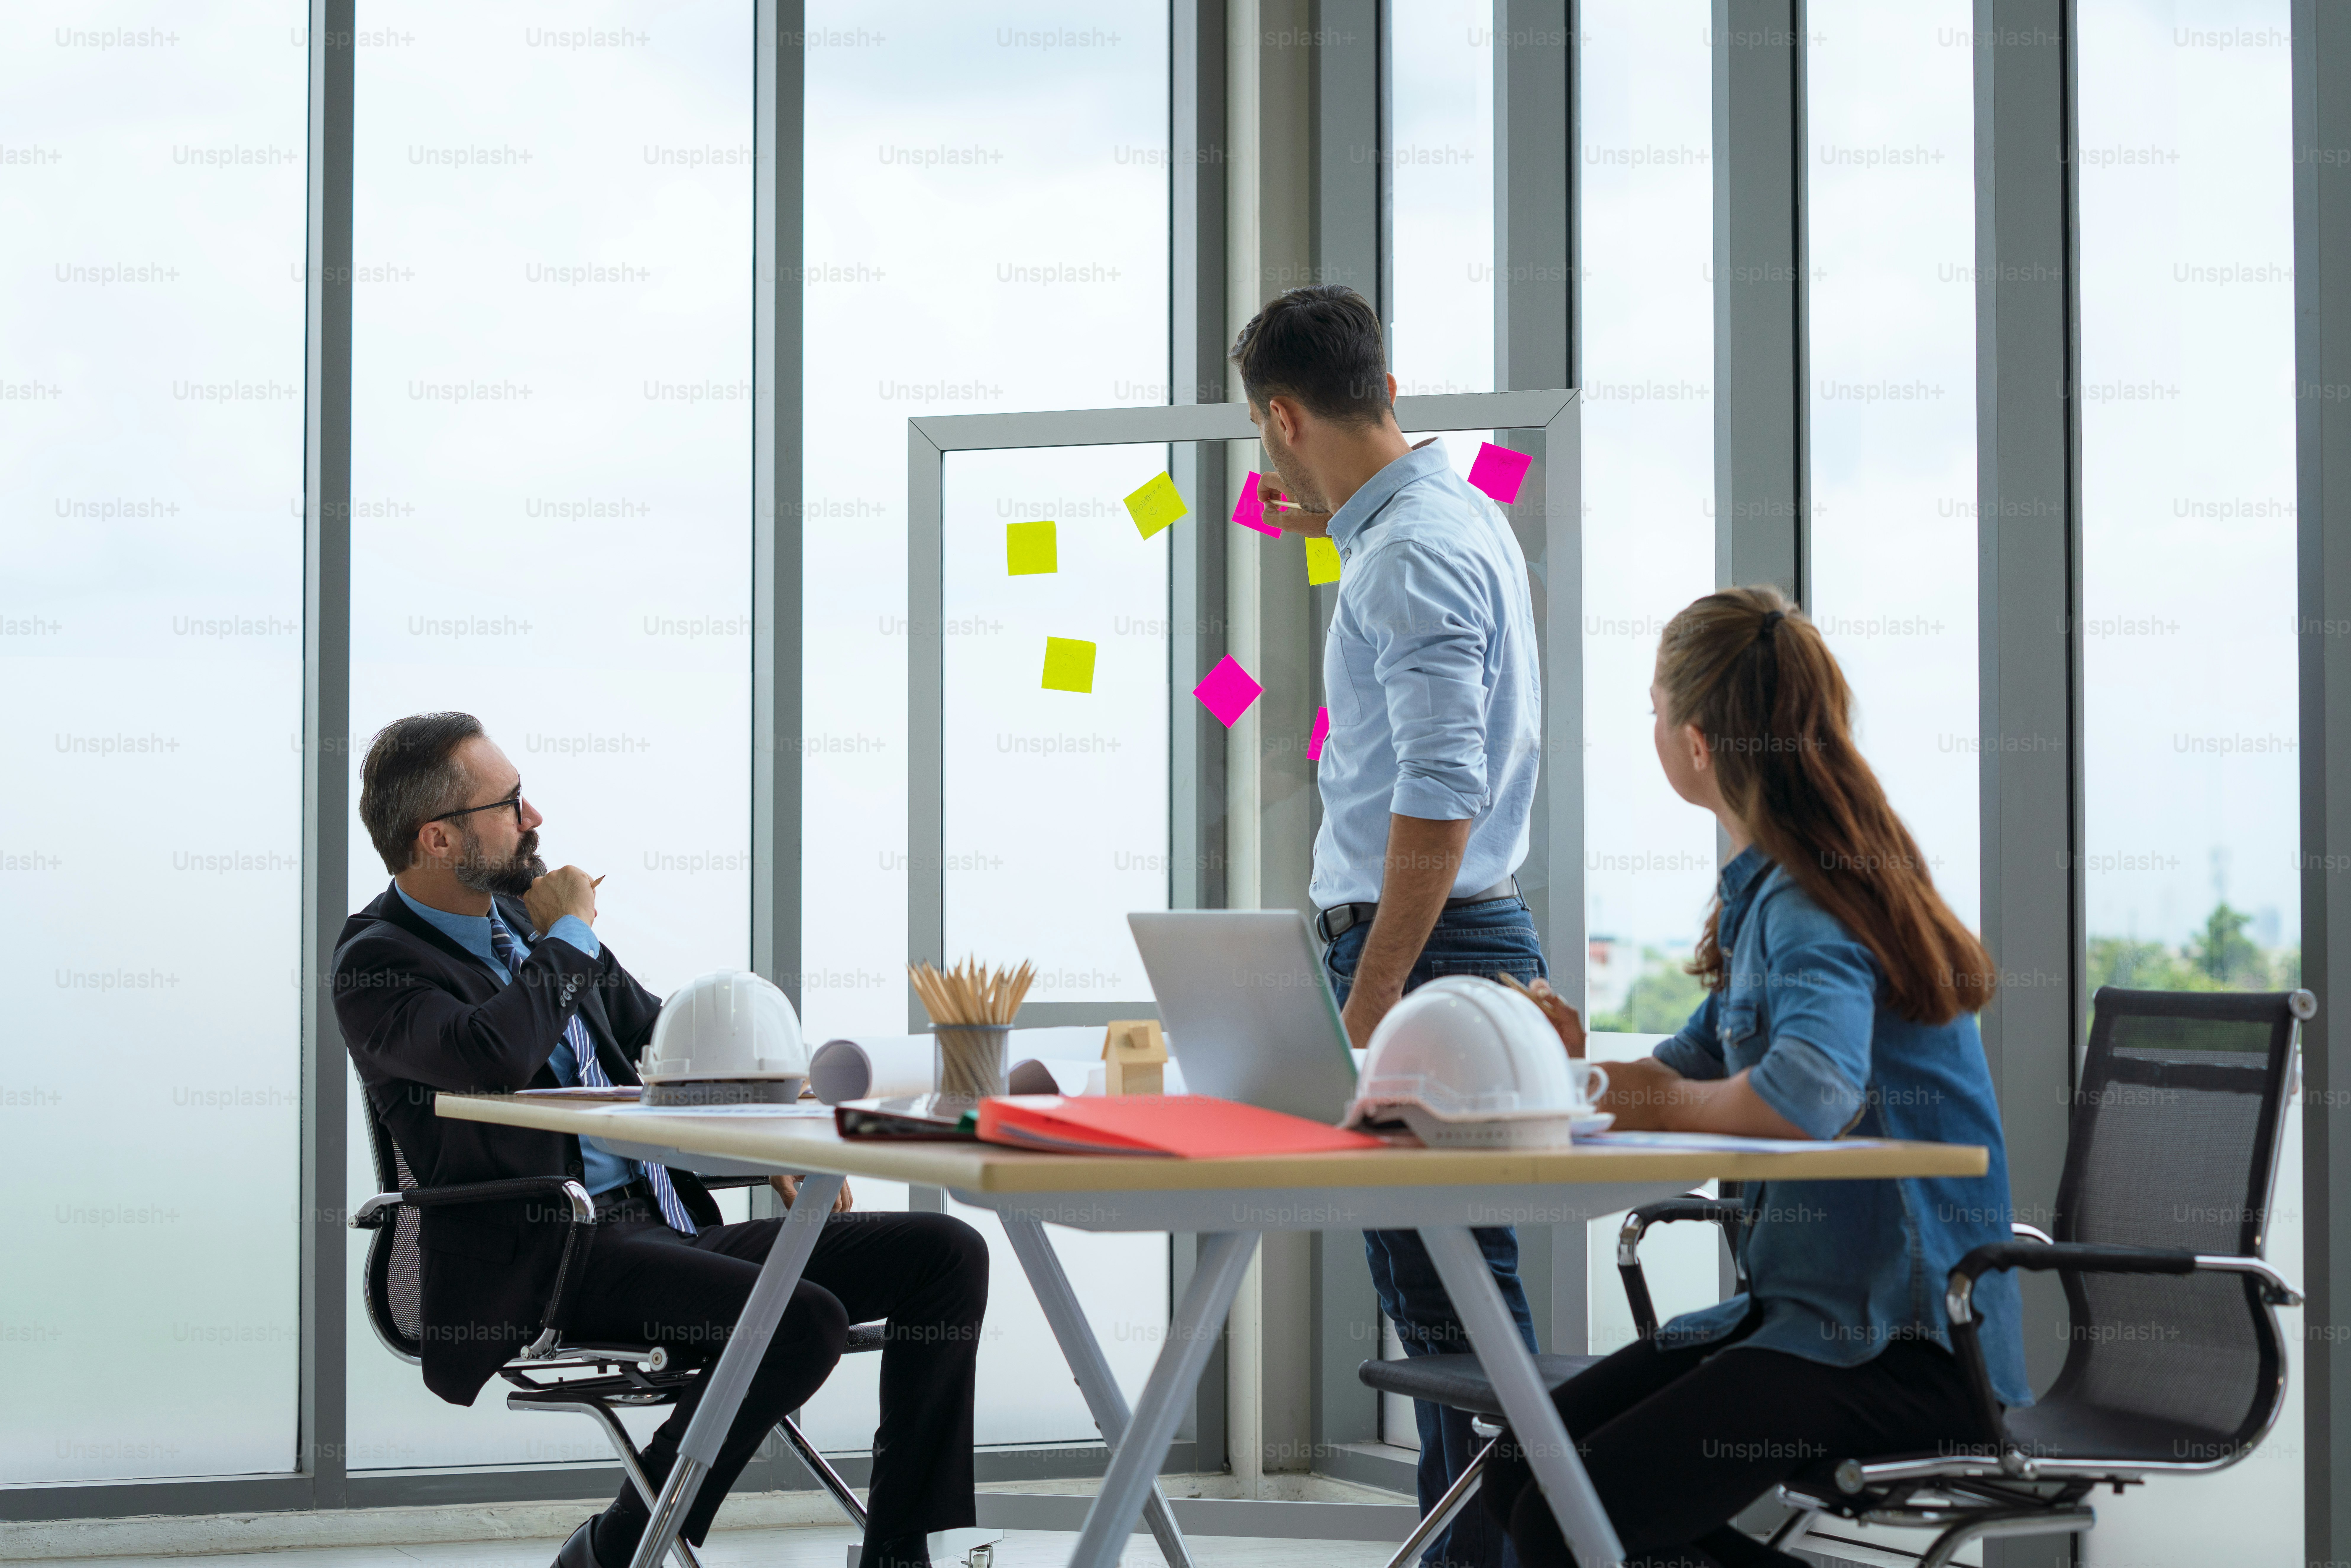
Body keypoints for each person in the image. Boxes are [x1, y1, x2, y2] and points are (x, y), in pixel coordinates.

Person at [333, 712, 987, 1568]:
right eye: (513, 803)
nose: (535, 820)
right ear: (438, 838)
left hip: (660, 1226)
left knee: (945, 1253)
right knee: (796, 1322)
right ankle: (621, 1542)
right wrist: (569, 933)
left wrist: (778, 1135)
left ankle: (898, 1551)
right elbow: (492, 1054)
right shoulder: (379, 964)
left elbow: (669, 1041)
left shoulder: (529, 934)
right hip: (549, 1262)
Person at [1480, 588, 2032, 1567]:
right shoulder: (1776, 889)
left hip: (1907, 1352)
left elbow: (1803, 1095)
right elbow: (1681, 1069)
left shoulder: (1811, 899)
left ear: (1696, 742)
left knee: (1559, 1517)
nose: (1648, 729)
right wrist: (1552, 1069)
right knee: (1524, 1472)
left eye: (1652, 709)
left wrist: (1638, 1097)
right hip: (1806, 1323)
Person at [1232, 283, 1546, 1568]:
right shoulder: (1440, 515)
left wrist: (1365, 1001)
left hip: (1427, 954)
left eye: (1263, 441)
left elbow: (1440, 795)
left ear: (1281, 416)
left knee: (1453, 1310)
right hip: (1450, 948)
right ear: (1389, 392)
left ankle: (1508, 1554)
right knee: (1444, 1298)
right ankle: (1470, 1552)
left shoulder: (1407, 550)